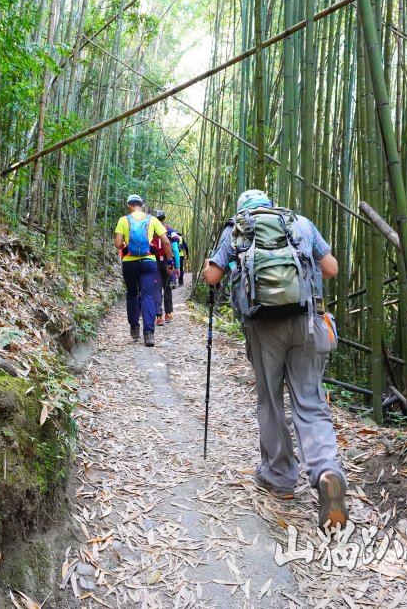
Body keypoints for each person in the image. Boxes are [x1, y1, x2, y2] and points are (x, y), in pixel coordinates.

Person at [202, 189, 348, 530]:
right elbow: (331, 268)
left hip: (263, 326)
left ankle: (280, 477)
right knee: (310, 402)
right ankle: (326, 470)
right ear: (271, 205)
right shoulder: (300, 224)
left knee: (270, 401)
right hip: (309, 322)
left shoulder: (237, 229)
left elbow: (212, 276)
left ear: (243, 210)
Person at [114, 195, 173, 347]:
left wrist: (127, 246)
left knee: (132, 294)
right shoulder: (152, 219)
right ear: (143, 205)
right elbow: (166, 241)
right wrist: (169, 261)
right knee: (148, 295)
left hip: (129, 263)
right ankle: (149, 334)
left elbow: (118, 244)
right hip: (148, 262)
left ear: (129, 205)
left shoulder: (123, 220)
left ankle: (134, 327)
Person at [152, 210, 180, 323]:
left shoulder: (150, 230)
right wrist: (177, 265)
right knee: (167, 287)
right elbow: (176, 250)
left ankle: (158, 316)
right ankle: (168, 314)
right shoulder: (170, 231)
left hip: (154, 261)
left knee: (157, 288)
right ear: (163, 219)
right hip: (167, 262)